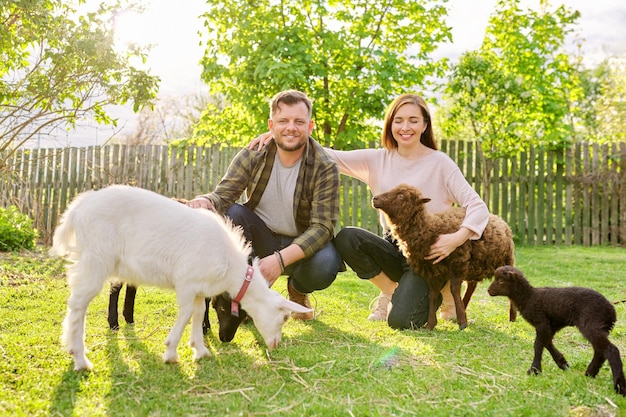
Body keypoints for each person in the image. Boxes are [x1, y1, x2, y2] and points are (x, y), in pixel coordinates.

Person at [250, 93, 490, 329]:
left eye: (413, 120)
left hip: (428, 253)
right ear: (390, 124)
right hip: (393, 244)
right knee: (347, 238)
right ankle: (390, 291)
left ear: (425, 124)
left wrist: (455, 239)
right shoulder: (378, 159)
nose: (405, 127)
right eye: (399, 120)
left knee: (401, 322)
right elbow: (327, 155)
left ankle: (440, 290)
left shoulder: (440, 163)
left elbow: (477, 206)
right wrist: (283, 135)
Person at [187, 90, 343, 320]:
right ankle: (251, 295)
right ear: (271, 125)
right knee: (233, 212)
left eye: (299, 121)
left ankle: (297, 291)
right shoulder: (254, 154)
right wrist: (206, 200)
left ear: (309, 127)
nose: (291, 127)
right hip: (260, 238)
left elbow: (322, 228)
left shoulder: (324, 166)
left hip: (299, 245)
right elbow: (224, 194)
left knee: (327, 262)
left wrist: (280, 260)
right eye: (283, 121)